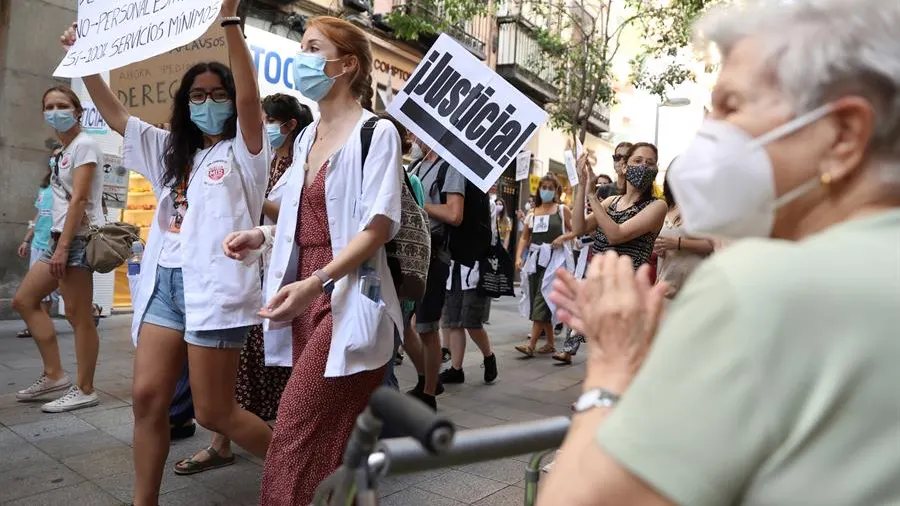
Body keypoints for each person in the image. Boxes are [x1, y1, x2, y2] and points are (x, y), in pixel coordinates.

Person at [541, 1, 900, 504]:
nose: (710, 130)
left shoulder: (758, 284)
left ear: (843, 136)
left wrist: (611, 367)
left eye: (731, 106)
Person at [61, 1, 274, 503]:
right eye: (198, 95)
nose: (208, 102)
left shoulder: (246, 151)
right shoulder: (169, 150)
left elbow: (249, 99)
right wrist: (84, 58)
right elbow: (115, 115)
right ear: (185, 104)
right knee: (146, 398)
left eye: (217, 94)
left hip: (217, 290)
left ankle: (307, 473)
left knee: (214, 413)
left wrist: (229, 23)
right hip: (165, 287)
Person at [220, 16, 403, 505]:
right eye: (301, 46)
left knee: (295, 427)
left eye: (312, 47)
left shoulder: (376, 134)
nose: (301, 57)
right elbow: (296, 217)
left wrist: (317, 282)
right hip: (302, 296)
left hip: (345, 296)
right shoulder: (305, 138)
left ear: (346, 64)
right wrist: (257, 233)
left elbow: (377, 226)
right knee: (333, 438)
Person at [172, 94, 312, 475]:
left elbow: (301, 214)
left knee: (257, 380)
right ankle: (226, 444)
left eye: (270, 119)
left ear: (288, 125)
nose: (262, 123)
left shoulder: (295, 160)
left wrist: (255, 198)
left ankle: (297, 469)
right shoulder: (235, 156)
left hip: (285, 277)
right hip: (249, 268)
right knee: (233, 379)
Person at [12, 85, 104, 413]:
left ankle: (85, 389)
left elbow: (79, 199)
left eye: (62, 105)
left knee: (79, 318)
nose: (55, 111)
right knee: (24, 300)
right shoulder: (63, 152)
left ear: (77, 111)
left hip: (74, 241)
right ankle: (54, 375)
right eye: (49, 106)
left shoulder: (85, 146)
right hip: (57, 239)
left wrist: (64, 248)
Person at [555, 143, 666, 364]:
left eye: (650, 163)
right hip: (601, 286)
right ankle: (600, 395)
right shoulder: (611, 202)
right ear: (624, 167)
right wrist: (582, 186)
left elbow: (616, 234)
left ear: (655, 170)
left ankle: (609, 396)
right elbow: (578, 228)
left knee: (618, 355)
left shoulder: (657, 206)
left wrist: (593, 198)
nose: (643, 167)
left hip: (628, 291)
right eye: (637, 161)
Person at [403, 135, 466, 408]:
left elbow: (455, 215)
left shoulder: (450, 168)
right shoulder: (416, 165)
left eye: (417, 133)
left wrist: (418, 204)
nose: (413, 138)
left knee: (428, 327)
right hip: (413, 253)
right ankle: (427, 379)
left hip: (434, 254)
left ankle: (429, 394)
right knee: (406, 323)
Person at [514, 174, 573, 357]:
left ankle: (531, 345)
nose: (546, 190)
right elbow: (525, 237)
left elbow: (576, 230)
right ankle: (549, 343)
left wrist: (562, 238)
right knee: (538, 297)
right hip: (535, 260)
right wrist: (518, 257)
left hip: (555, 260)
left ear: (556, 191)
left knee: (542, 296)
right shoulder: (533, 213)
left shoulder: (562, 210)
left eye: (550, 187)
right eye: (543, 187)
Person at [16, 146, 62, 338]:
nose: (54, 160)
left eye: (58, 157)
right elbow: (38, 216)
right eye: (52, 157)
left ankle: (39, 326)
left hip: (55, 245)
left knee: (50, 289)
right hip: (38, 243)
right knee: (41, 290)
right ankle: (38, 325)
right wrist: (27, 240)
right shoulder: (44, 188)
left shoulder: (67, 187)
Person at [654, 169, 714, 299]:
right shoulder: (666, 206)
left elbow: (713, 244)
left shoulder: (705, 207)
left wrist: (679, 243)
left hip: (695, 285)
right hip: (666, 282)